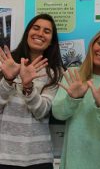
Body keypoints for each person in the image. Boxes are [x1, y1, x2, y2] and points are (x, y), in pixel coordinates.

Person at [52, 27, 100, 169]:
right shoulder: (73, 74)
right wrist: (72, 99)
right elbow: (58, 114)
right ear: (92, 44)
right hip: (75, 162)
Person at [0, 13, 64, 169]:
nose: (40, 33)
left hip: (39, 158)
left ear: (51, 41)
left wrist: (28, 87)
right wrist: (8, 80)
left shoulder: (56, 72)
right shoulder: (6, 64)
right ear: (27, 33)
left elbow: (42, 111)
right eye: (36, 28)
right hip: (4, 156)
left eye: (47, 31)